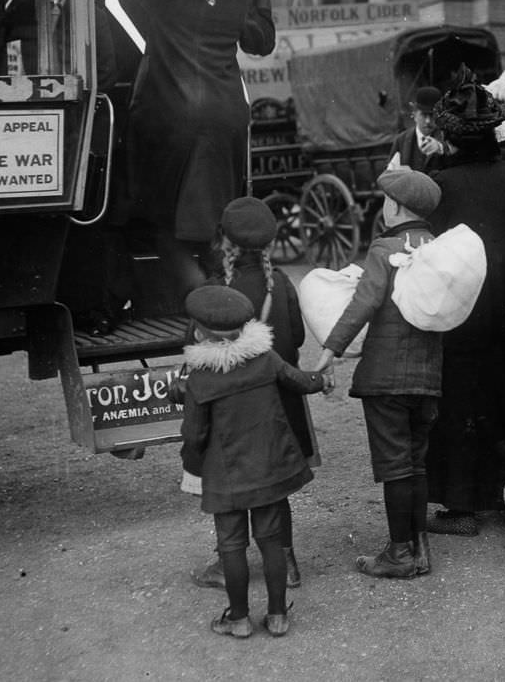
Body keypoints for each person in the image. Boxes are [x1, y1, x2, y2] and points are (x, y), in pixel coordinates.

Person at [115, 0, 276, 300]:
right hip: (225, 119)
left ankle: (206, 306)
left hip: (170, 118)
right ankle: (225, 300)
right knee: (212, 220)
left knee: (165, 222)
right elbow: (262, 42)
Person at [178, 285, 332, 639]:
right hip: (271, 467)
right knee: (271, 539)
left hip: (227, 474)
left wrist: (197, 460)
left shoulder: (200, 378)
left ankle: (239, 618)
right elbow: (298, 381)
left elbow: (195, 435)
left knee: (231, 544)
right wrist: (322, 378)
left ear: (199, 332)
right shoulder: (266, 358)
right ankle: (277, 616)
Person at [425, 65, 505, 536]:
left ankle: (462, 504)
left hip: (461, 313)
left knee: (458, 403)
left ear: (451, 140)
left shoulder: (439, 185)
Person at [316, 169, 443, 578]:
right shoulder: (439, 249)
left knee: (394, 467)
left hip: (386, 378)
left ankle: (398, 554)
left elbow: (362, 305)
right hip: (429, 377)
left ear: (395, 206)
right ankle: (420, 547)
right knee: (418, 462)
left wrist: (329, 349)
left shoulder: (384, 249)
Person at [189, 196, 316, 591]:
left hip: (230, 411)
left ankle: (230, 564)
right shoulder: (281, 284)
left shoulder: (214, 292)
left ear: (224, 241)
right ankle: (289, 561)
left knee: (233, 486)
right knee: (275, 485)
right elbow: (294, 338)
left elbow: (196, 353)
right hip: (281, 400)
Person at [389, 86, 444, 172]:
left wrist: (440, 148)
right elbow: (389, 173)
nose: (428, 121)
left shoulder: (447, 138)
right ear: (414, 114)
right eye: (423, 115)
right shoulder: (401, 140)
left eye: (432, 115)